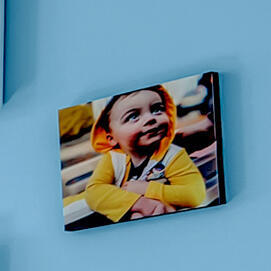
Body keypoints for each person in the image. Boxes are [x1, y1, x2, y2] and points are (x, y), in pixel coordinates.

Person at [76, 84, 209, 222]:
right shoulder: (114, 159)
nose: (150, 118)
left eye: (157, 109)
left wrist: (147, 189)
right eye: (133, 116)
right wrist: (140, 204)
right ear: (111, 138)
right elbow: (93, 192)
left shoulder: (173, 156)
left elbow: (195, 194)